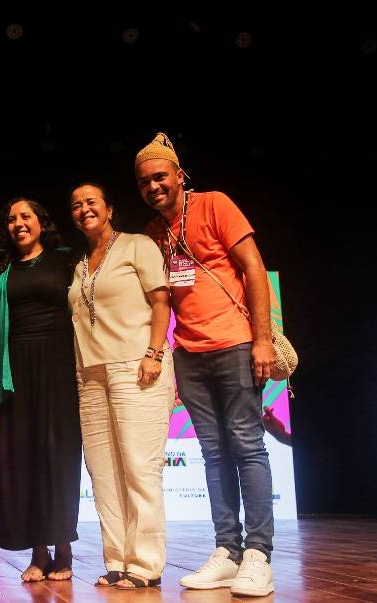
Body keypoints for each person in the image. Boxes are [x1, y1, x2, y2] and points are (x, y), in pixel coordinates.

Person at [137, 132, 275, 597]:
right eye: (144, 182)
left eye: (160, 177)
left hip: (235, 344)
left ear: (179, 175)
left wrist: (261, 340)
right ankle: (228, 551)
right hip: (189, 354)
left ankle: (258, 555)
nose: (153, 186)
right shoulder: (153, 233)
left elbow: (253, 267)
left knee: (247, 446)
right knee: (214, 453)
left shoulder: (214, 204)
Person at [66, 182, 174, 590]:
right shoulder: (79, 263)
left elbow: (161, 302)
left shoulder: (137, 245)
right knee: (103, 473)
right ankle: (117, 560)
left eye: (91, 201)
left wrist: (154, 353)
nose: (84, 209)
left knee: (140, 468)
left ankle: (144, 564)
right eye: (76, 205)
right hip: (90, 372)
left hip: (136, 363)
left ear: (109, 208)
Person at [0, 198, 81, 582]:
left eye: (26, 216)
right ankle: (38, 552)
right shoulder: (0, 270)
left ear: (41, 222)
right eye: (11, 219)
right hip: (15, 371)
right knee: (23, 458)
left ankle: (63, 547)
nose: (18, 224)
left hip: (59, 366)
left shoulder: (65, 260)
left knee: (59, 455)